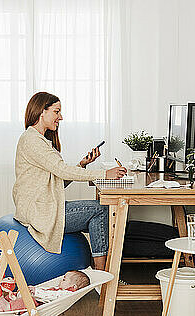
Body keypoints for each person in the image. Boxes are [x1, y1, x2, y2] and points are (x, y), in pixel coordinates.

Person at [12, 92, 126, 271]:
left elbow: (58, 180)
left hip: (42, 207)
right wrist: (105, 173)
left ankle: (100, 274)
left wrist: (82, 164)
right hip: (39, 213)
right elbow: (62, 170)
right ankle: (102, 276)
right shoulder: (33, 140)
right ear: (42, 111)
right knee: (101, 210)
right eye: (57, 112)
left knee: (100, 214)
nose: (61, 117)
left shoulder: (37, 139)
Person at [0, 270, 91, 312]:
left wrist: (36, 292)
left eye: (64, 279)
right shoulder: (59, 289)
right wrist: (35, 289)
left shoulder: (66, 293)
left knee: (28, 301)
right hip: (37, 299)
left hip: (38, 306)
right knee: (20, 295)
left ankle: (8, 306)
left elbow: (51, 296)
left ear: (73, 286)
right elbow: (47, 291)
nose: (61, 280)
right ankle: (6, 300)